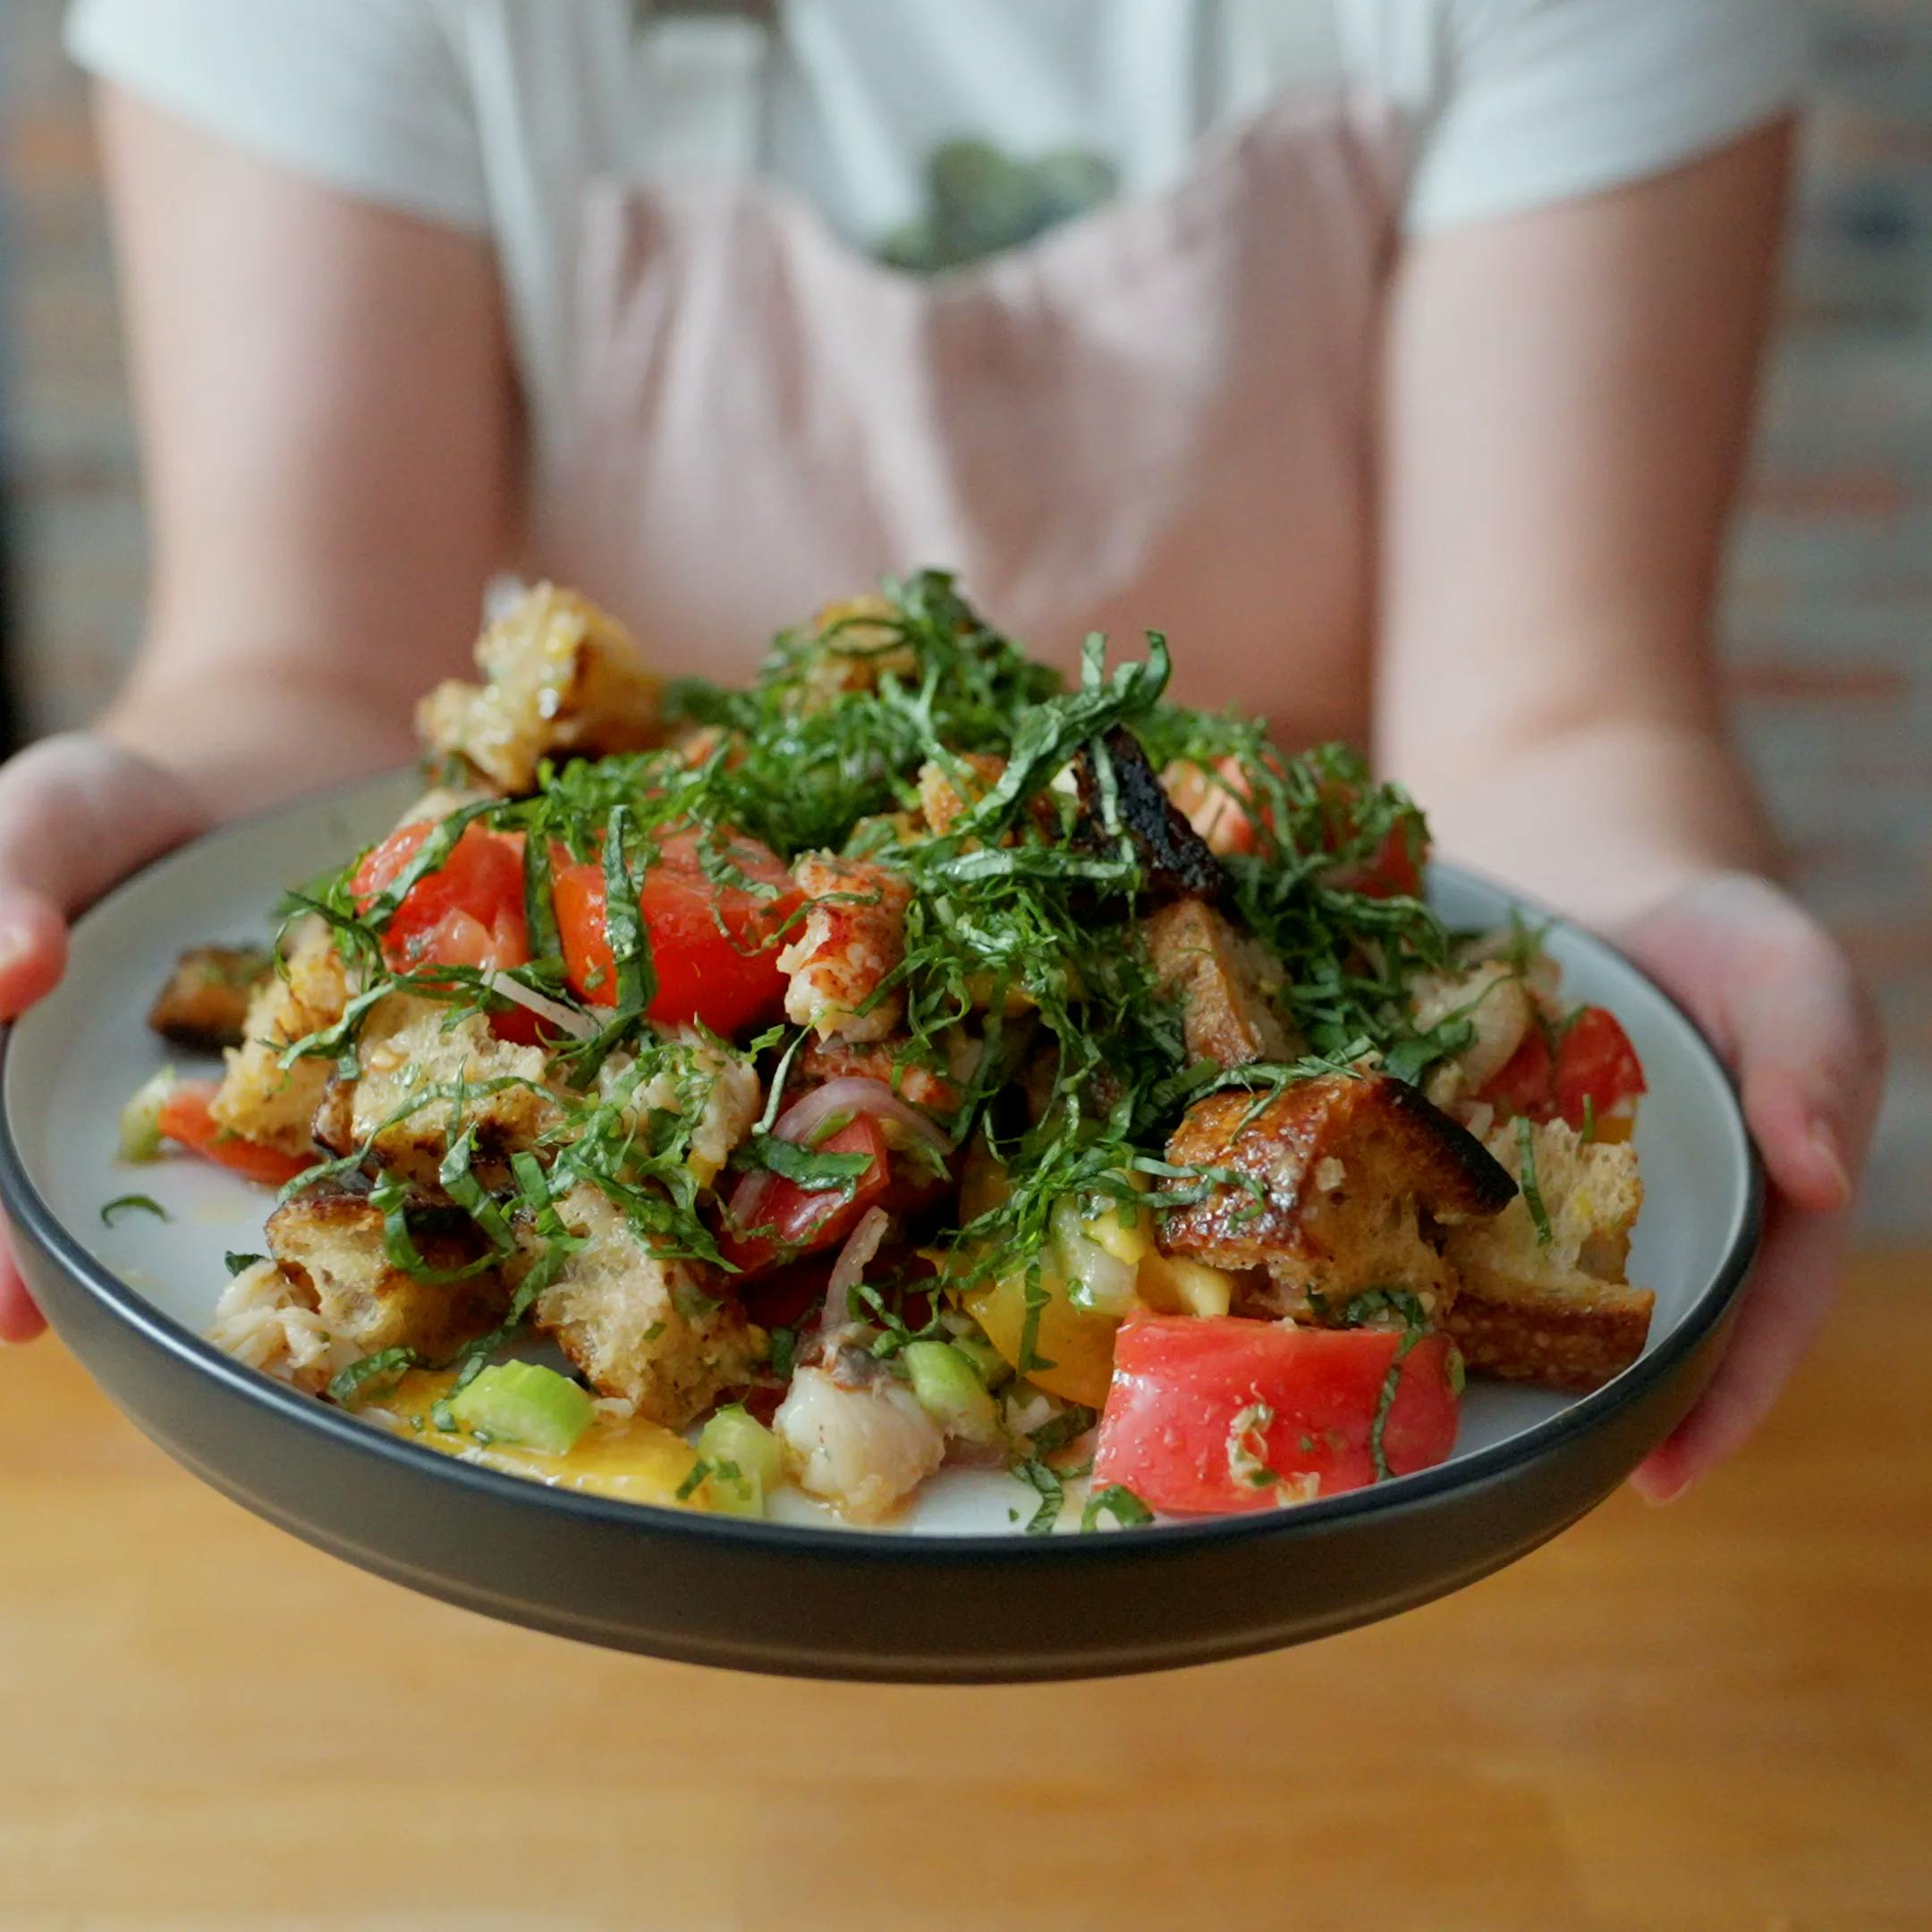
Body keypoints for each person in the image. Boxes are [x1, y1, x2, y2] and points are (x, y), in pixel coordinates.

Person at [0, 0, 1884, 1503]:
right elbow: (312, 671)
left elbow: (1558, 710)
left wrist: (1642, 920)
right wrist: (165, 805)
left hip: (1412, 1589)